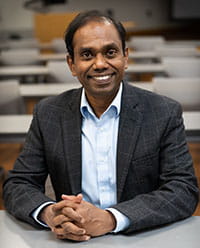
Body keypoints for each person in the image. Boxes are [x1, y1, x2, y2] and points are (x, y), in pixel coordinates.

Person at [3, 10, 199, 242]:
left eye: (110, 52)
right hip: (72, 240)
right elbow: (19, 183)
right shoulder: (49, 113)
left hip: (142, 237)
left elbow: (183, 188)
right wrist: (49, 213)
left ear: (125, 57)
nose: (100, 64)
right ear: (72, 64)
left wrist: (111, 219)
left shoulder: (163, 112)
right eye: (86, 55)